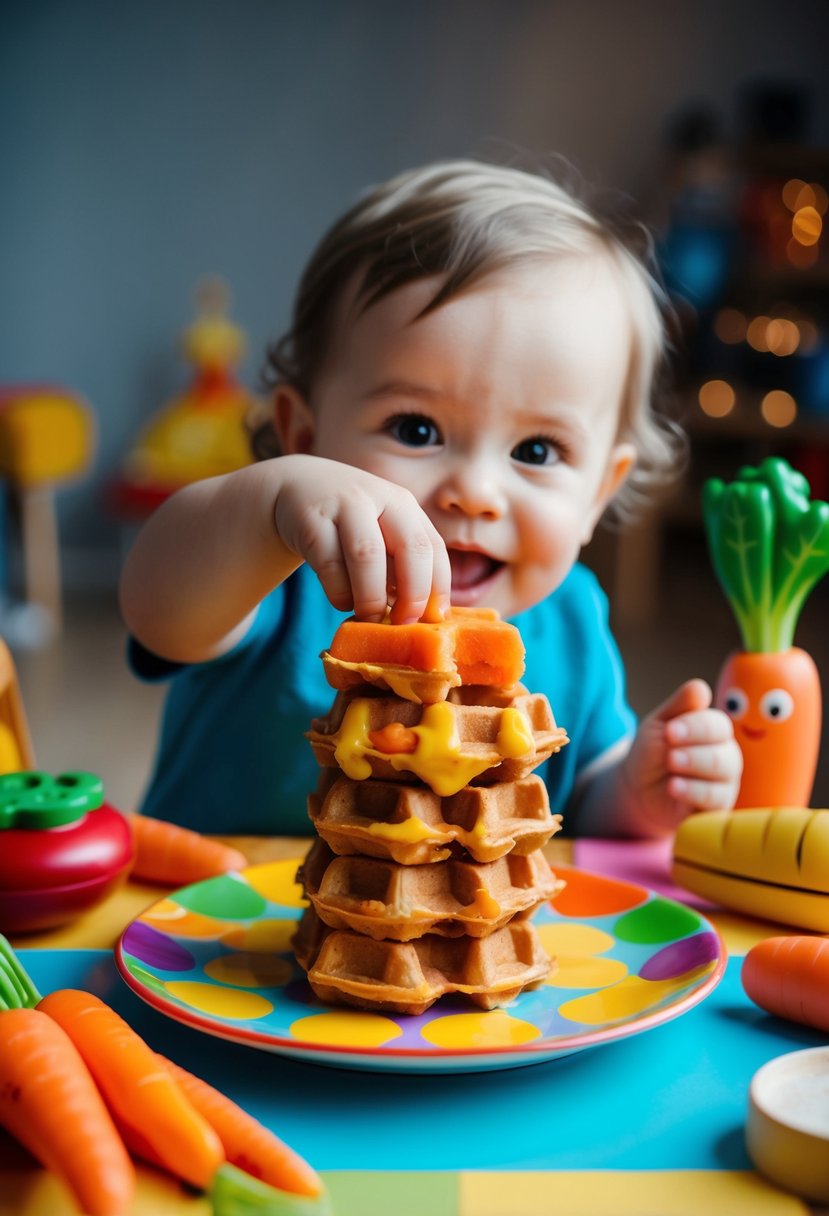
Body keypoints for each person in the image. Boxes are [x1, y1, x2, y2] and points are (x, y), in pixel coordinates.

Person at [120, 158, 742, 838]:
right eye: (415, 429)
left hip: (454, 935)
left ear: (599, 492)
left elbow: (577, 810)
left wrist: (638, 792)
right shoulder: (274, 576)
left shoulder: (573, 622)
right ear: (304, 434)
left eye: (535, 450)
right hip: (207, 931)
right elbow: (160, 611)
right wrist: (268, 504)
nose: (474, 493)